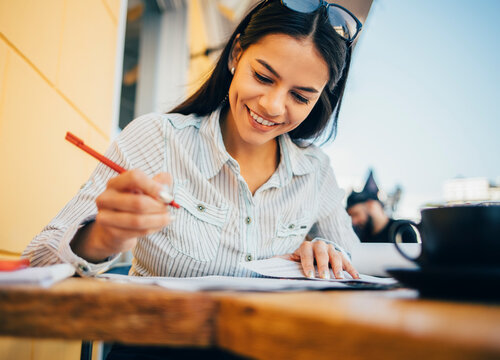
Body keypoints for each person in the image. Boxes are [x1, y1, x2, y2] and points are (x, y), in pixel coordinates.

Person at [24, 0, 362, 290]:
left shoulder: (316, 173)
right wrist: (100, 238)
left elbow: (356, 267)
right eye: (262, 77)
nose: (273, 106)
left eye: (301, 97)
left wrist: (328, 250)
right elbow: (36, 262)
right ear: (236, 55)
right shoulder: (157, 138)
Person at [346, 190, 417, 243]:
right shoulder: (363, 238)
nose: (353, 221)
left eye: (355, 214)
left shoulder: (402, 229)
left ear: (371, 204)